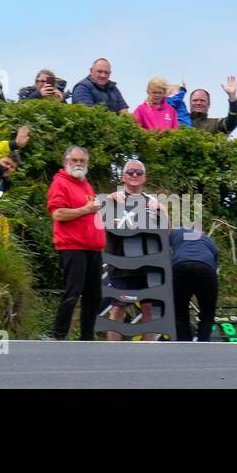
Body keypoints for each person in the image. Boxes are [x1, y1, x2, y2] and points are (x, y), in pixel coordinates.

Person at [102, 159, 165, 340]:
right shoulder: (113, 199)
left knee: (149, 309)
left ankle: (146, 354)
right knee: (118, 307)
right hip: (121, 262)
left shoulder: (153, 202)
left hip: (149, 265)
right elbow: (100, 223)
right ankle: (114, 354)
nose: (135, 175)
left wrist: (162, 210)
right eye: (130, 172)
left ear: (145, 178)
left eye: (139, 173)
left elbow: (167, 230)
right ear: (123, 177)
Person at [48, 146, 106, 341]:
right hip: (72, 246)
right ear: (66, 162)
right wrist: (85, 209)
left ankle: (87, 338)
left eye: (82, 161)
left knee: (94, 297)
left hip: (92, 247)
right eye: (75, 160)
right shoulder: (60, 183)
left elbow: (89, 213)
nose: (79, 164)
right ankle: (58, 335)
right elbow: (58, 213)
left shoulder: (86, 185)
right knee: (73, 293)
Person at [170, 227, 219, 342]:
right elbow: (216, 269)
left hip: (181, 266)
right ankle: (203, 341)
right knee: (208, 312)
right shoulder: (209, 240)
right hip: (207, 269)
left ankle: (183, 342)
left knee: (179, 312)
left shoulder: (176, 233)